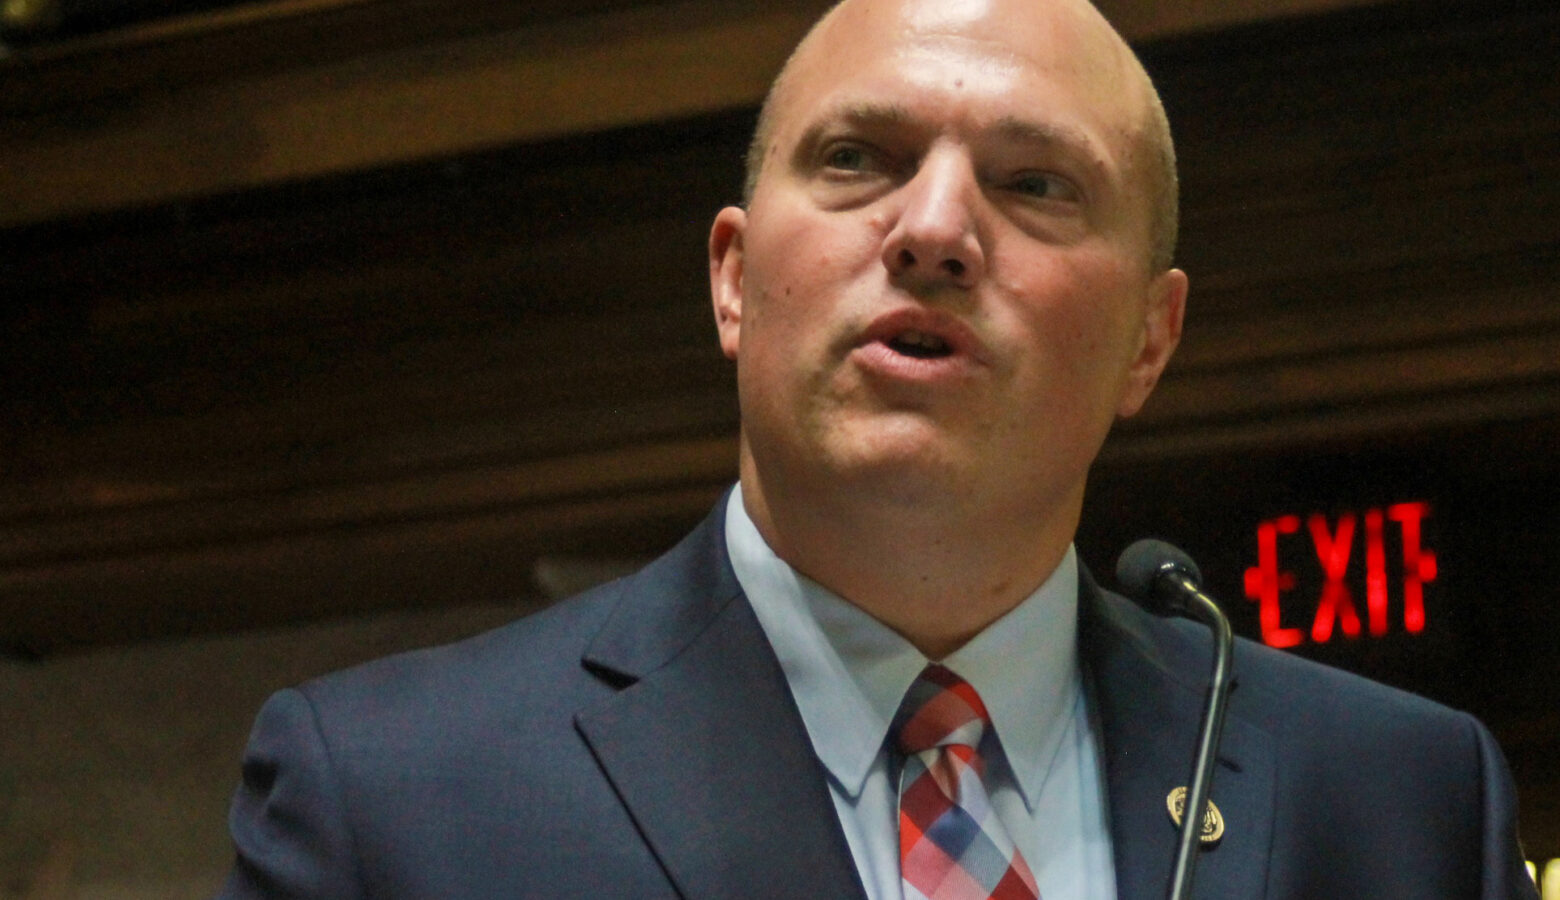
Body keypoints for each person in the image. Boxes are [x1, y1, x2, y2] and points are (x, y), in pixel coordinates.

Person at [216, 0, 1540, 897]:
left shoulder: (1401, 801)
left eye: (1035, 183)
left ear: (1150, 338)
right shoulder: (388, 800)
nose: (935, 228)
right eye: (859, 158)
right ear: (734, 281)